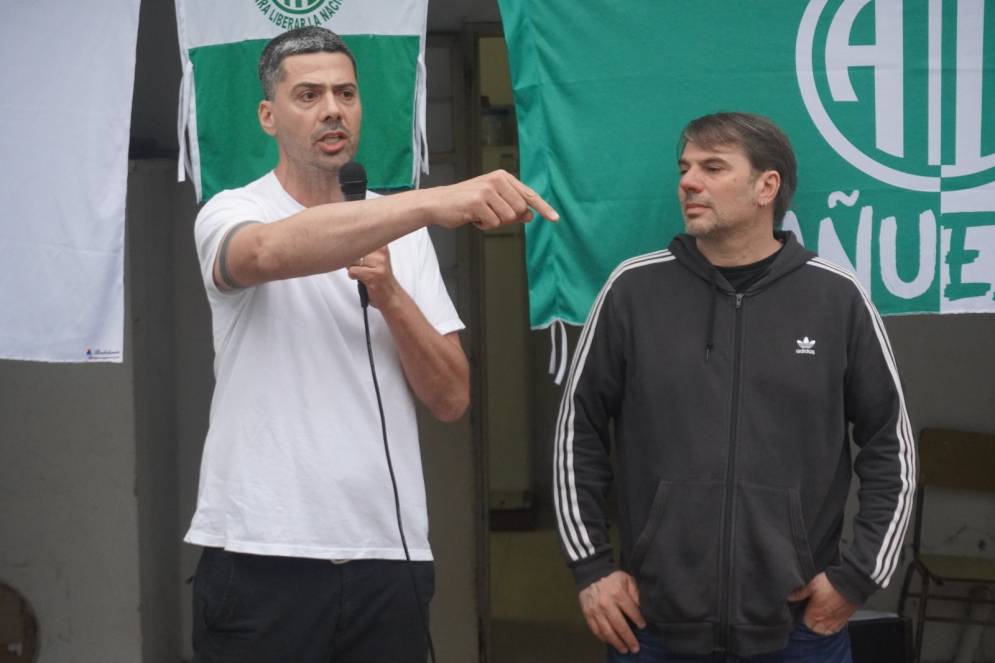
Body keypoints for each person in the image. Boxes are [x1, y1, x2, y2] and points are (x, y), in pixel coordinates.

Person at [185, 26, 557, 663]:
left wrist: (390, 295)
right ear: (268, 116)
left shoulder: (402, 230)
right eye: (308, 95)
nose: (332, 108)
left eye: (346, 93)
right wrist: (437, 199)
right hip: (262, 551)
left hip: (389, 554)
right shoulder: (230, 210)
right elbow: (267, 252)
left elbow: (451, 398)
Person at [553, 112, 915, 662]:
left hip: (797, 630)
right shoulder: (633, 290)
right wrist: (592, 569)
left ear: (766, 186)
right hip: (652, 626)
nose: (688, 182)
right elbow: (575, 436)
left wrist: (857, 577)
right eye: (685, 168)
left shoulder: (836, 299)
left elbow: (891, 446)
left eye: (713, 167)